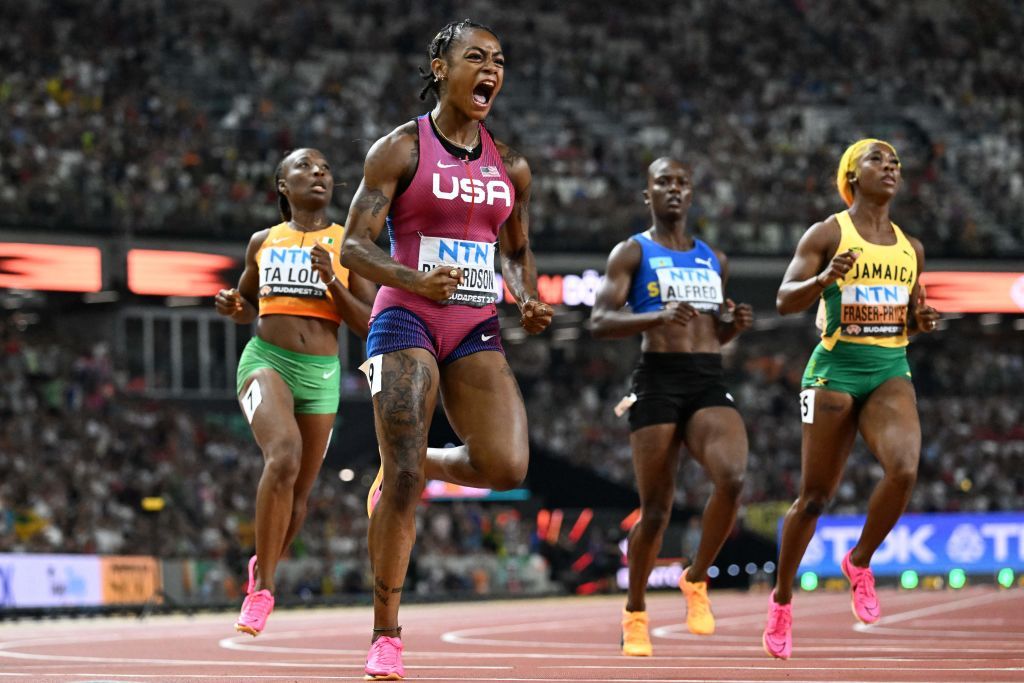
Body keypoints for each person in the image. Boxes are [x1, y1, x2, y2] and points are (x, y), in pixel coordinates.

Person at [339, 20, 553, 681]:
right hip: (404, 316)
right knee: (402, 482)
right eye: (475, 57)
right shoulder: (400, 149)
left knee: (507, 463)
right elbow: (352, 245)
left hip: (474, 325)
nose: (490, 68)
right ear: (441, 68)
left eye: (499, 59)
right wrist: (411, 279)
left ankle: (413, 458)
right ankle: (386, 634)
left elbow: (514, 248)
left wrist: (526, 293)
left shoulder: (509, 164)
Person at [761, 139, 940, 659]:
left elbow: (912, 312)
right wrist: (824, 277)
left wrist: (921, 320)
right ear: (851, 175)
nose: (890, 168)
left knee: (904, 469)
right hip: (834, 370)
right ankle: (782, 599)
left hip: (889, 368)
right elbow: (783, 299)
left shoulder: (912, 247)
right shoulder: (828, 232)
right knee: (815, 497)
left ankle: (859, 562)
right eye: (877, 160)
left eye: (896, 164)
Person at [590, 157, 753, 656]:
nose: (674, 190)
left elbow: (712, 329)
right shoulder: (632, 252)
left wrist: (732, 327)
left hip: (706, 378)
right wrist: (656, 315)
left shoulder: (713, 258)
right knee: (656, 512)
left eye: (682, 182)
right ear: (649, 195)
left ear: (692, 192)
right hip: (657, 380)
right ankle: (635, 611)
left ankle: (696, 578)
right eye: (664, 182)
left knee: (732, 477)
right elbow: (598, 320)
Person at [214, 148, 376, 637]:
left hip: (321, 373)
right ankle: (262, 588)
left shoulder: (349, 246)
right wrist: (233, 305)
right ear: (283, 185)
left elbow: (367, 322)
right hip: (266, 361)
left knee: (300, 495)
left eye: (326, 167)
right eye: (304, 167)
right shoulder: (263, 241)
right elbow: (247, 304)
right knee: (282, 458)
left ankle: (263, 566)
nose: (319, 173)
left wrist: (332, 280)